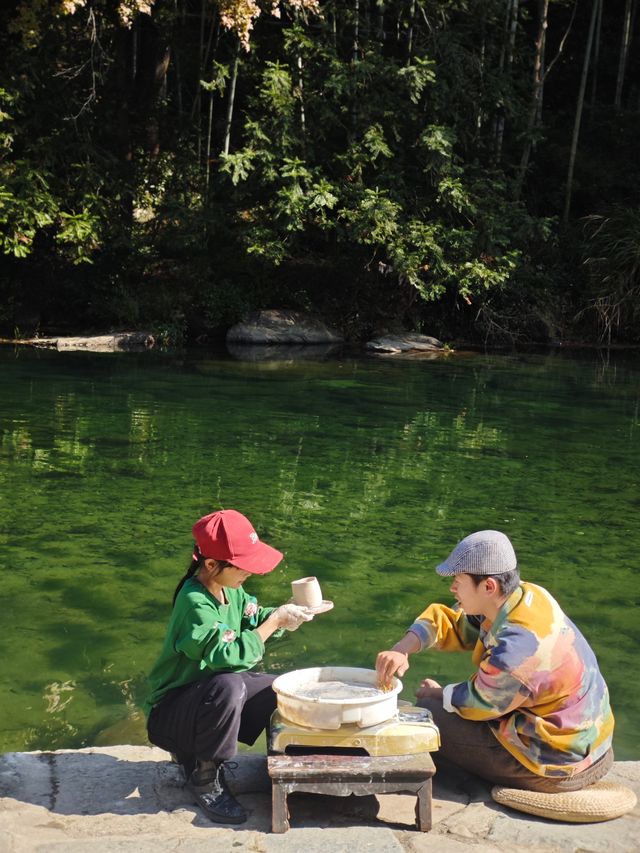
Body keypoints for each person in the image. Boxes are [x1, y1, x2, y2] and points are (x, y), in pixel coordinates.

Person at [376, 530, 615, 792]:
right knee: (439, 703)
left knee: (428, 715)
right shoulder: (525, 596)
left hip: (559, 763)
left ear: (488, 586)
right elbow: (454, 624)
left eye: (458, 580)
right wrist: (403, 648)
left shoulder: (520, 646)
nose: (452, 587)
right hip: (591, 742)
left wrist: (438, 694)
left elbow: (482, 704)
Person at [144, 508, 314, 824]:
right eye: (243, 567)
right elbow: (229, 655)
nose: (249, 573)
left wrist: (285, 616)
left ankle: (284, 762)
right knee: (229, 684)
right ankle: (205, 777)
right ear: (210, 564)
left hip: (204, 700)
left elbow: (256, 616)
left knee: (283, 688)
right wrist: (275, 621)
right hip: (171, 715)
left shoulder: (231, 590)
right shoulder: (194, 602)